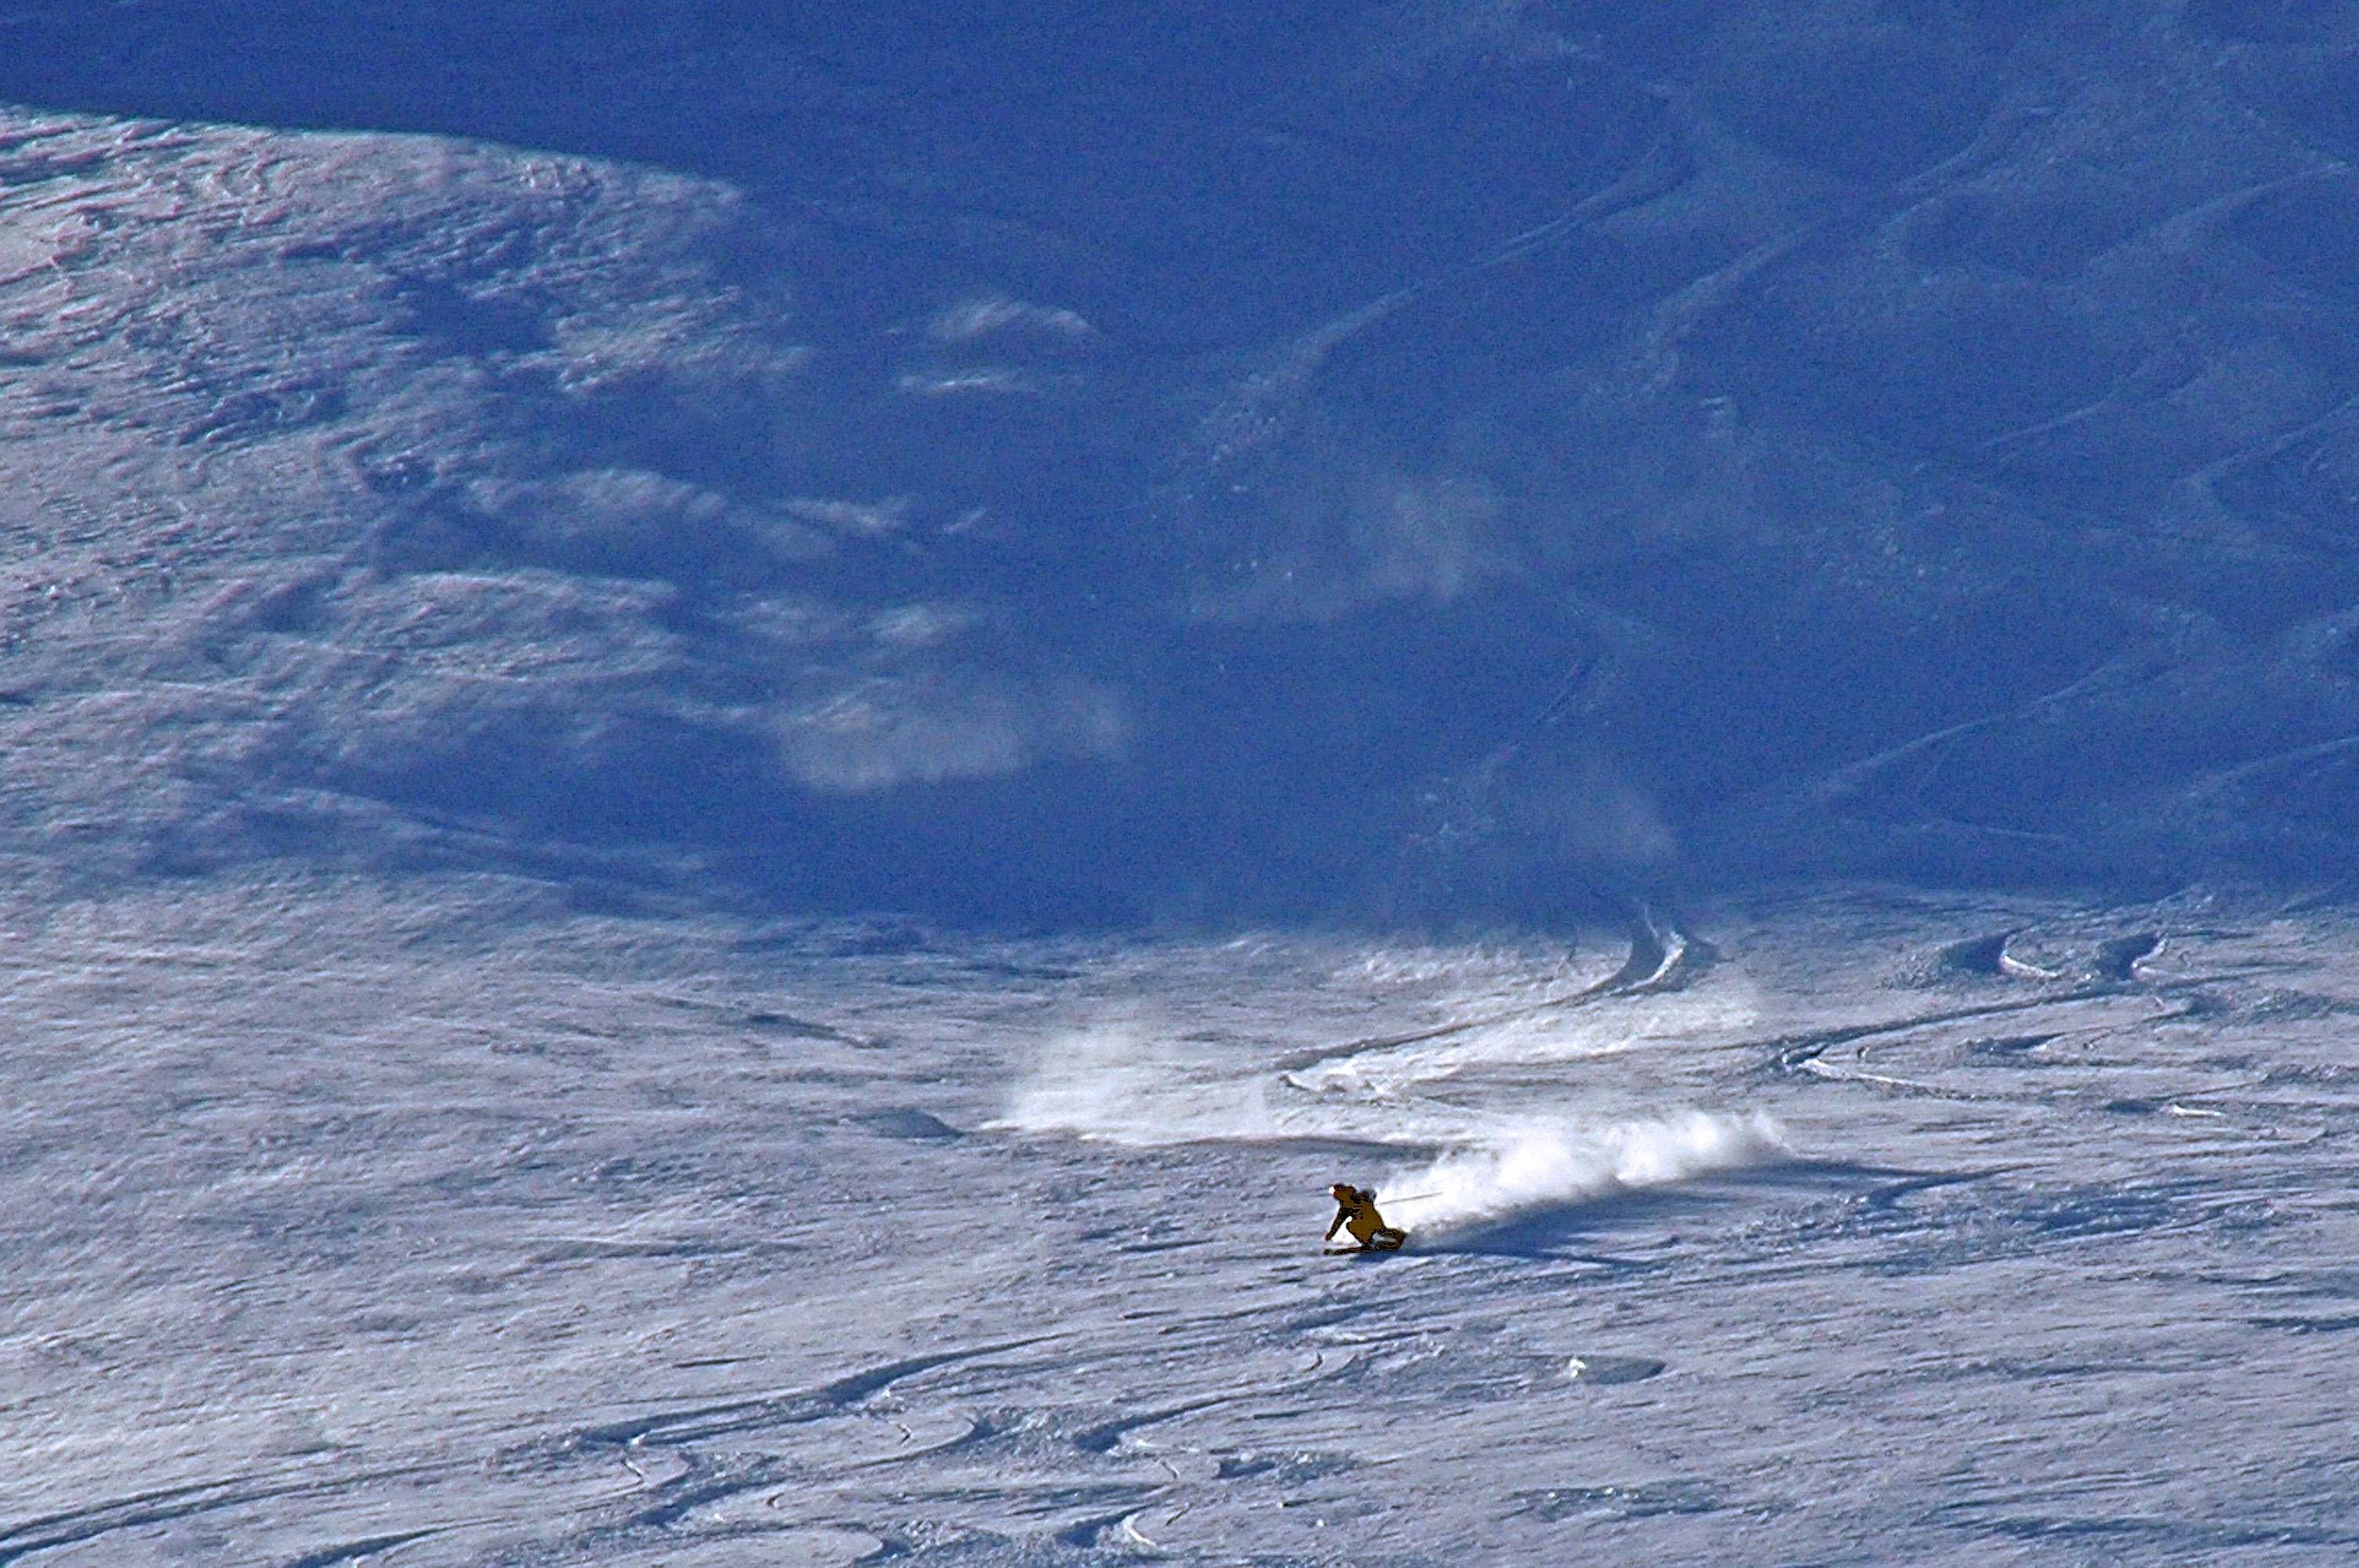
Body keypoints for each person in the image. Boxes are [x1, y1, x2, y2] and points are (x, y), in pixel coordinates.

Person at [1325, 1183, 1407, 1251]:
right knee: (1382, 1231)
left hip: (1365, 1222)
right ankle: (1400, 1235)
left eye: (1334, 1193)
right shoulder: (1357, 1195)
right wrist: (1370, 1199)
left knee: (1351, 1226)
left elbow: (1338, 1222)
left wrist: (1331, 1234)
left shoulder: (1345, 1206)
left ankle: (1368, 1243)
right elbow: (1372, 1193)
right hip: (1374, 1219)